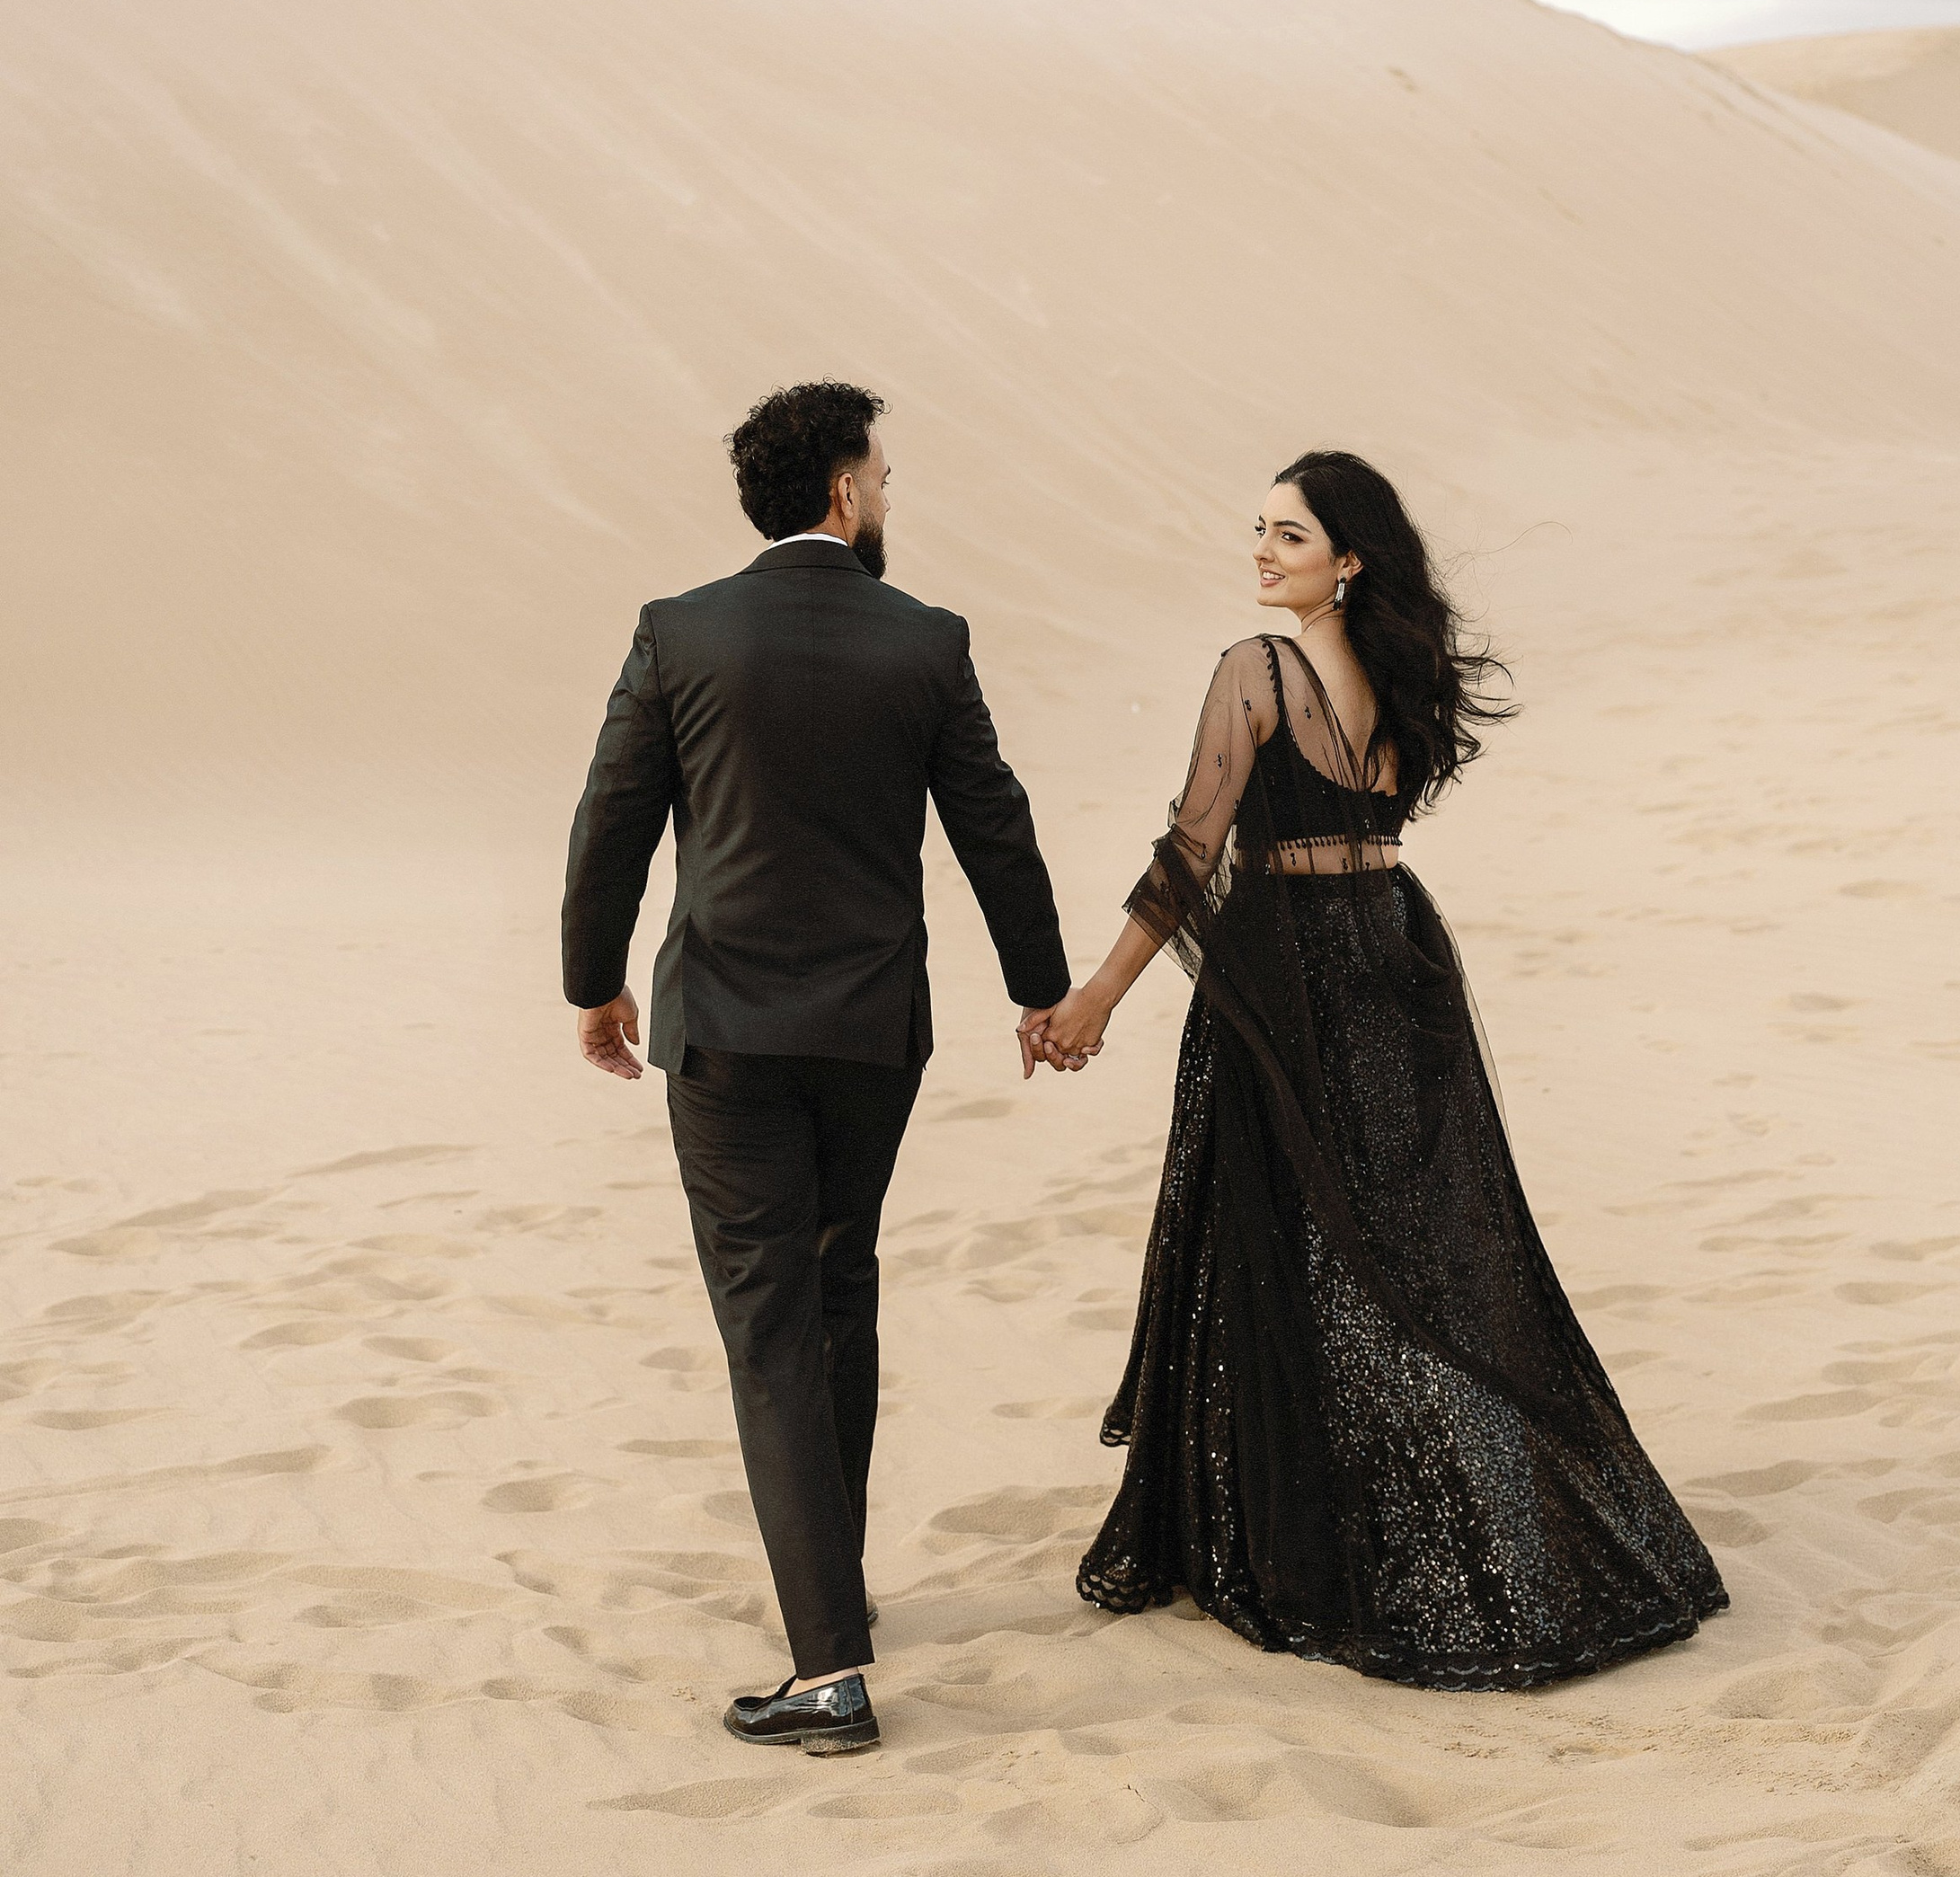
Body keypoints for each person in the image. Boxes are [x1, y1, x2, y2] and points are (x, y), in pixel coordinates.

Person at [1040, 451, 1726, 1689]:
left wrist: (1094, 996)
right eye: (1259, 530)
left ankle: (1304, 1540)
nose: (1261, 552)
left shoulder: (1254, 671)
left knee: (1282, 1244)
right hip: (1391, 956)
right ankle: (1463, 1504)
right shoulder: (1405, 676)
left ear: (1347, 558)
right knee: (1414, 1250)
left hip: (1286, 983)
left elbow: (1193, 850)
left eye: (1289, 537)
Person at [562, 382, 1076, 1757]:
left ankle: (828, 1668)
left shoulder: (680, 635)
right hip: (867, 1037)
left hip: (725, 1036)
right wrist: (1040, 988)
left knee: (768, 1322)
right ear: (844, 494)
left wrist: (592, 983)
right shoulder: (924, 642)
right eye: (887, 480)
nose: (890, 501)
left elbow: (610, 821)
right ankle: (832, 1597)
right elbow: (995, 823)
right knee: (837, 1288)